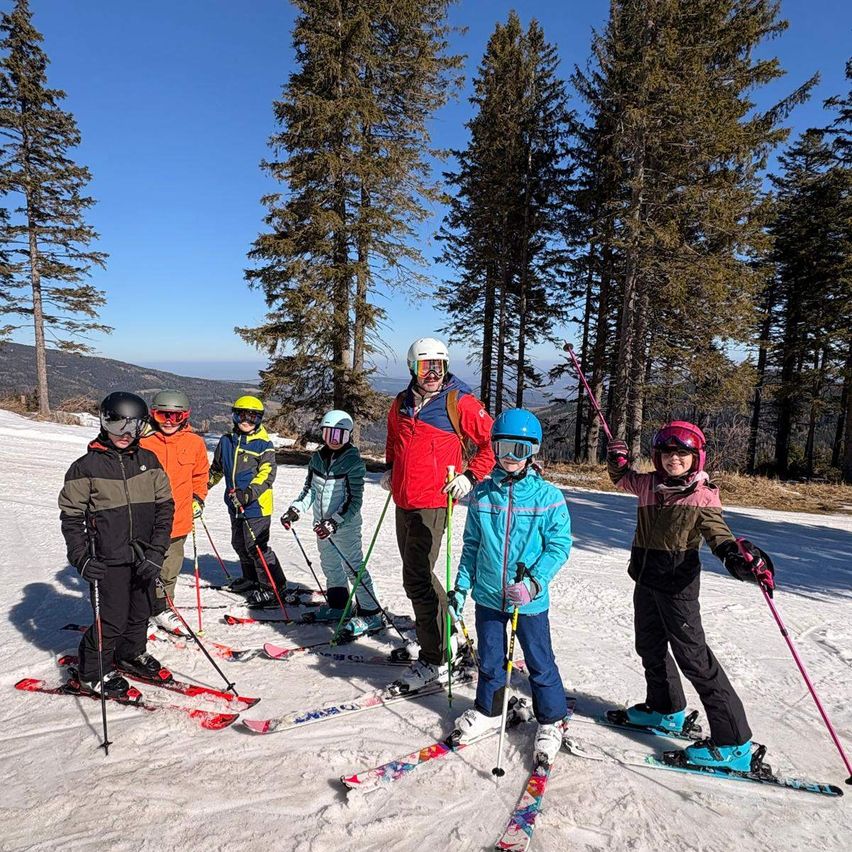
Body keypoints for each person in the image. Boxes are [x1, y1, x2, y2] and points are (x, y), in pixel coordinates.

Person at [606, 420, 775, 772]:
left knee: (695, 659)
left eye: (682, 454)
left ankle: (734, 741)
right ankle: (665, 708)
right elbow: (623, 478)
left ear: (696, 458)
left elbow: (718, 534)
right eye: (667, 453)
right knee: (649, 646)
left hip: (678, 588)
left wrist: (737, 558)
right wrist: (618, 461)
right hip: (646, 580)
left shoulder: (701, 495)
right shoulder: (650, 484)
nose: (674, 460)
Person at [447, 409, 573, 764]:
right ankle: (490, 710)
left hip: (527, 600)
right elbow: (472, 546)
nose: (509, 458)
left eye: (518, 450)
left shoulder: (548, 497)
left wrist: (534, 583)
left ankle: (551, 718)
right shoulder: (484, 495)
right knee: (490, 659)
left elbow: (559, 545)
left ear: (531, 452)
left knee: (538, 661)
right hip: (488, 594)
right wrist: (460, 590)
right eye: (503, 448)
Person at [384, 337, 496, 692]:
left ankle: (435, 658)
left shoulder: (459, 402)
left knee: (416, 577)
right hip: (404, 500)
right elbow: (393, 439)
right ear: (412, 368)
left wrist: (470, 476)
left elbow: (493, 442)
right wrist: (390, 468)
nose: (432, 373)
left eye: (438, 366)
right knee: (415, 575)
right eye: (424, 366)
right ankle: (446, 634)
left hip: (434, 501)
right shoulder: (401, 403)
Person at [58, 392, 175, 696]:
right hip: (107, 558)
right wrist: (81, 557)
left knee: (141, 612)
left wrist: (157, 550)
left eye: (133, 425)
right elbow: (72, 518)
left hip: (144, 556)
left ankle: (131, 653)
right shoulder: (86, 467)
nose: (124, 433)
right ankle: (92, 672)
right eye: (116, 423)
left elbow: (165, 508)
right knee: (111, 619)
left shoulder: (149, 461)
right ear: (103, 421)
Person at [281, 409, 382, 636]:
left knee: (353, 567)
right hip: (321, 525)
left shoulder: (353, 462)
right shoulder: (317, 458)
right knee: (330, 565)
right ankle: (339, 607)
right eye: (328, 435)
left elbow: (354, 501)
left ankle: (371, 613)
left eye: (338, 436)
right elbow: (310, 491)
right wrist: (295, 510)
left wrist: (334, 522)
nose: (333, 441)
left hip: (344, 526)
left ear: (347, 436)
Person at [140, 389, 209, 636]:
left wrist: (198, 498)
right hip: (144, 523)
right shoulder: (142, 441)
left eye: (175, 417)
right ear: (152, 415)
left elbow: (200, 475)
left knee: (169, 570)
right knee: (142, 569)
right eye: (162, 415)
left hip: (178, 521)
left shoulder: (194, 443)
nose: (169, 421)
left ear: (185, 417)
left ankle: (163, 608)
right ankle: (140, 613)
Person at [208, 395, 285, 605]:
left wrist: (249, 494)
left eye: (252, 417)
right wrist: (201, 487)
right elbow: (216, 470)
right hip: (235, 504)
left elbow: (267, 475)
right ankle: (251, 578)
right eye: (241, 415)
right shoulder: (226, 442)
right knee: (239, 543)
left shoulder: (263, 445)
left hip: (256, 505)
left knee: (257, 546)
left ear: (259, 420)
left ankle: (274, 587)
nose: (246, 420)